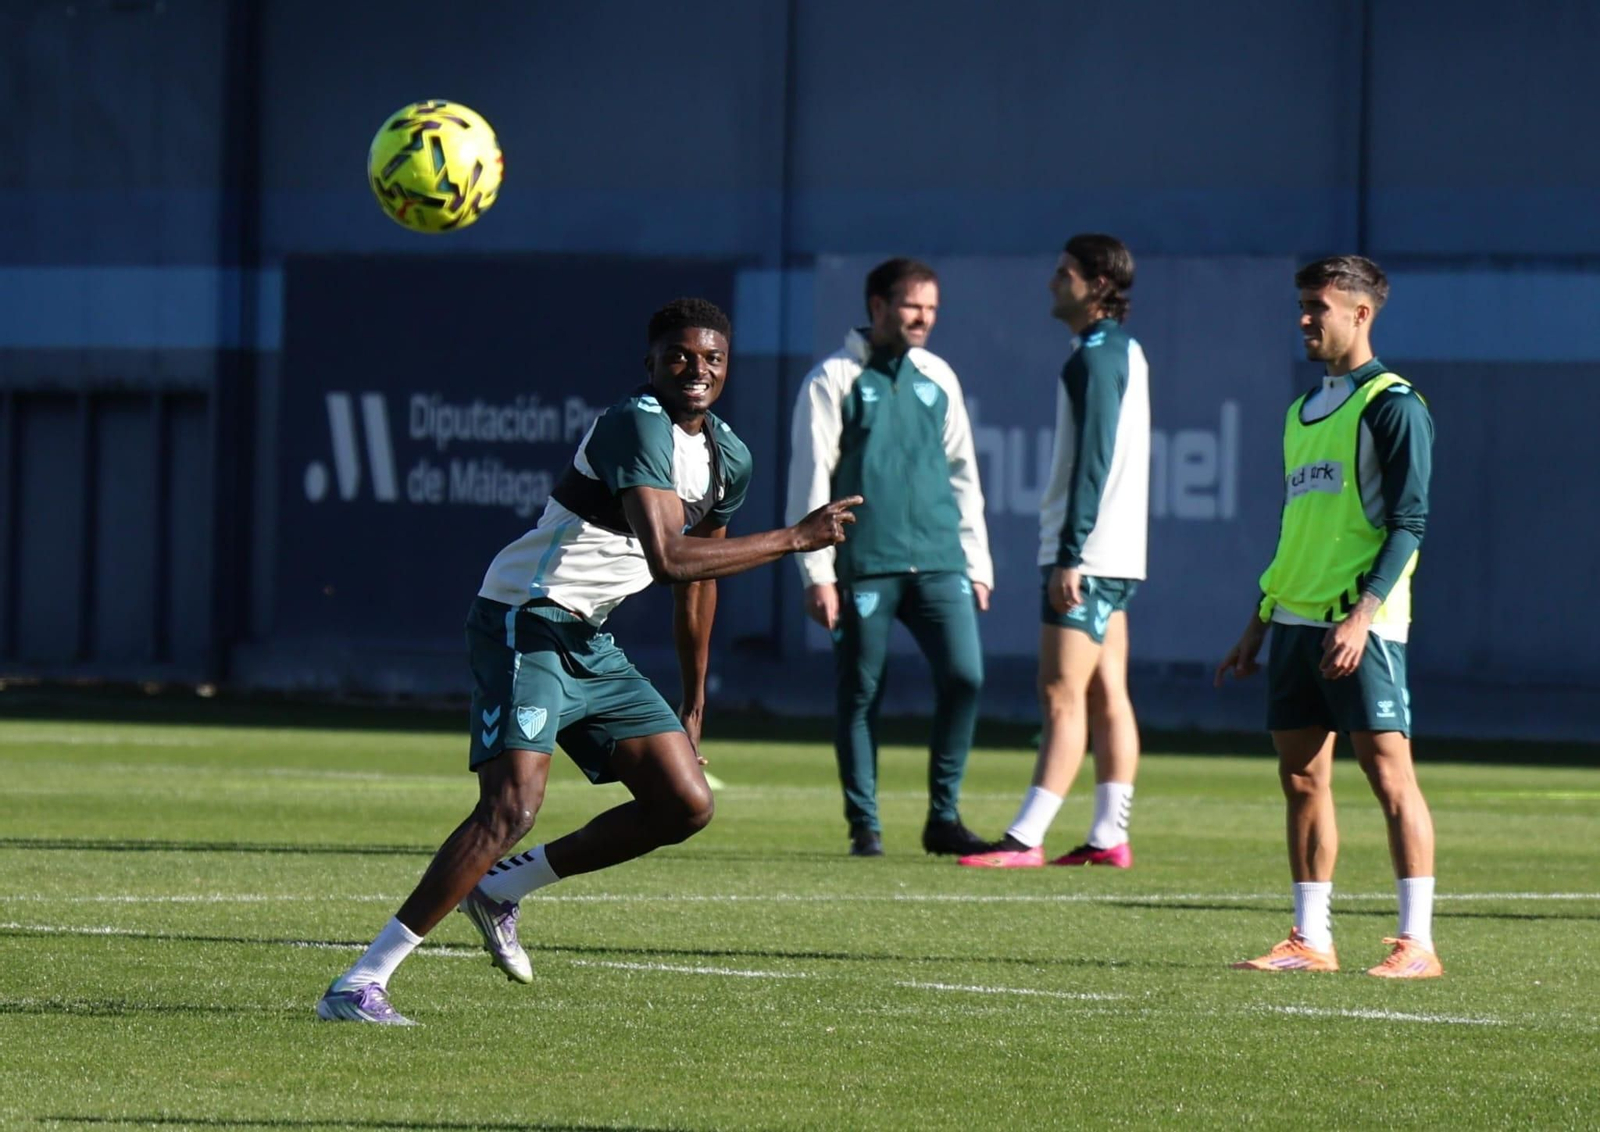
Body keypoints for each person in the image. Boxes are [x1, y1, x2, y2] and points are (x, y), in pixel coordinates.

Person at [317, 298, 862, 1023]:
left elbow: (700, 583)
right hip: (526, 618)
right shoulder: (635, 423)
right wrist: (793, 539)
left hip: (589, 640)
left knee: (685, 803)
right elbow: (670, 559)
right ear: (650, 362)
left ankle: (501, 890)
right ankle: (359, 983)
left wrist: (695, 701)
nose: (696, 369)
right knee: (511, 807)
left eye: (713, 358)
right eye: (680, 355)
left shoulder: (728, 456)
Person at [1216, 255, 1441, 978]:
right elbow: (1296, 529)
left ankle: (1417, 944)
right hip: (1293, 621)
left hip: (1361, 625)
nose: (1305, 318)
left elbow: (1409, 524)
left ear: (1361, 313)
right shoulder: (1300, 411)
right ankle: (1310, 939)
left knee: (1389, 776)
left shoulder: (1393, 405)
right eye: (1303, 306)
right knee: (1302, 779)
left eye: (1318, 306)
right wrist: (1259, 620)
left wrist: (1363, 615)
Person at [786, 257, 994, 857]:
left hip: (940, 559)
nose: (923, 318)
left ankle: (944, 818)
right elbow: (811, 477)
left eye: (931, 308)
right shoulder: (833, 379)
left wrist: (977, 563)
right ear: (877, 306)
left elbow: (964, 475)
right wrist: (816, 572)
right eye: (911, 306)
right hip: (864, 562)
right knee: (860, 692)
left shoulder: (938, 376)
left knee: (966, 677)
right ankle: (865, 826)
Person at [959, 234, 1149, 869]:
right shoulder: (1122, 350)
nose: (1052, 281)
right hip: (1115, 556)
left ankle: (1026, 837)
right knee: (1107, 693)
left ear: (1099, 286)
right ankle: (1109, 835)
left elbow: (1093, 462)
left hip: (1087, 557)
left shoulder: (1094, 359)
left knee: (1060, 694)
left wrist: (1070, 553)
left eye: (1065, 273)